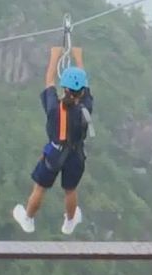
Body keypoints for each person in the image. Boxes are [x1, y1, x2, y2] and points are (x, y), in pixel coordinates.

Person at [13, 46, 93, 235]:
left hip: (55, 152)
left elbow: (49, 81)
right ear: (81, 92)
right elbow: (85, 84)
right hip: (76, 155)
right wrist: (78, 57)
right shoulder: (86, 107)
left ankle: (28, 219)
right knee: (70, 190)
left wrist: (54, 57)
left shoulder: (54, 108)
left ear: (64, 88)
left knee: (40, 188)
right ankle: (70, 222)